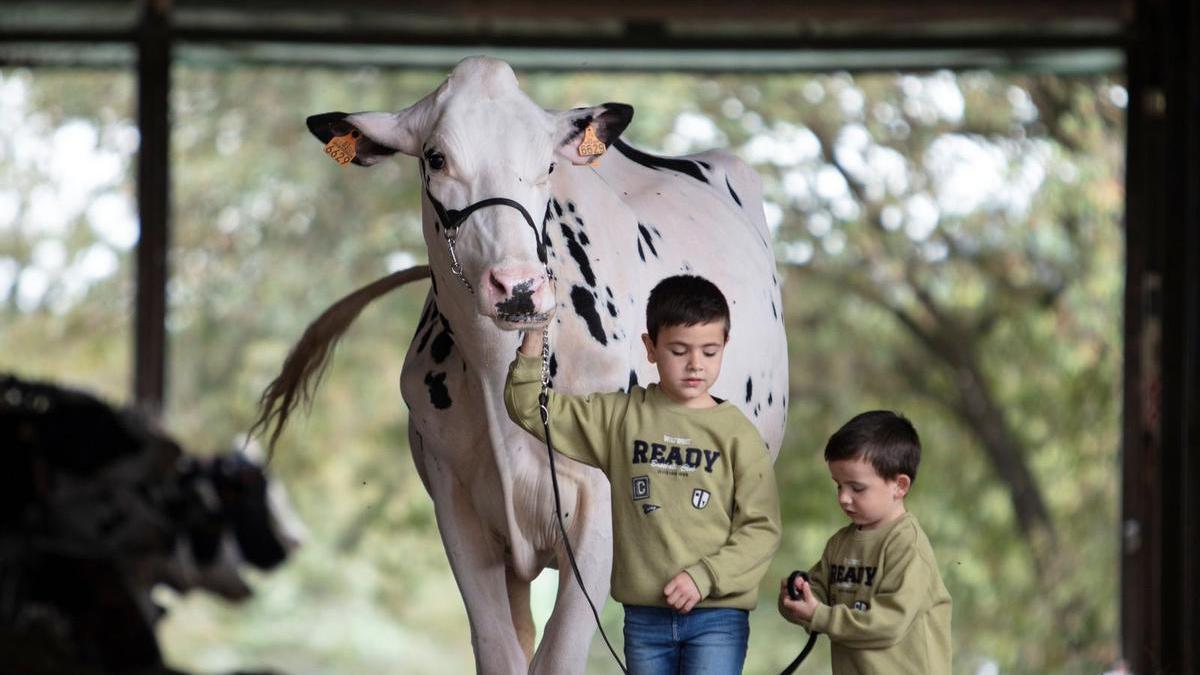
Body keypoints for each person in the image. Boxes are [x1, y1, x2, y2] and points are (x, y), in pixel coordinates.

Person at [505, 274, 781, 674]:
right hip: (645, 621)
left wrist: (705, 577)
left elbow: (762, 529)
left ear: (725, 348)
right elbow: (528, 406)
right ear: (650, 349)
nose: (695, 365)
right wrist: (534, 330)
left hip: (717, 618)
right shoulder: (620, 418)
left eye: (709, 351)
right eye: (679, 350)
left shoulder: (738, 434)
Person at [777, 410, 952, 675]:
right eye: (838, 486)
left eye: (857, 488)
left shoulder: (908, 546)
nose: (844, 498)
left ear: (899, 486)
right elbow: (819, 596)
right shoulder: (840, 544)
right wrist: (798, 597)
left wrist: (820, 616)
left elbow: (888, 624)